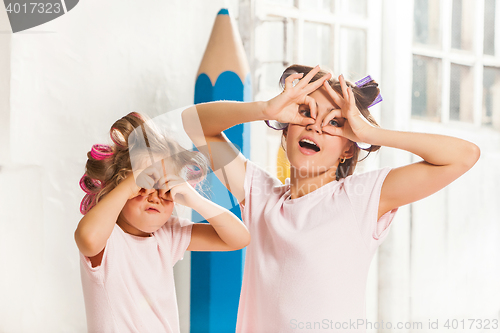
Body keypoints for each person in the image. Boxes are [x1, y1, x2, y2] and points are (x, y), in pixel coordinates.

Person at [182, 65, 480, 332]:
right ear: (285, 131)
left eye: (335, 123)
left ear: (348, 150)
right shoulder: (260, 196)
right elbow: (193, 122)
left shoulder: (359, 199)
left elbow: (464, 156)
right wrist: (266, 110)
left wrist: (370, 133)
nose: (316, 126)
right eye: (305, 113)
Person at [74, 112, 250, 332]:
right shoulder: (107, 237)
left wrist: (194, 199)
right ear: (120, 187)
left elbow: (239, 238)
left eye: (165, 186)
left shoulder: (168, 234)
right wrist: (131, 182)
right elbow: (87, 239)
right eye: (143, 184)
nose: (155, 195)